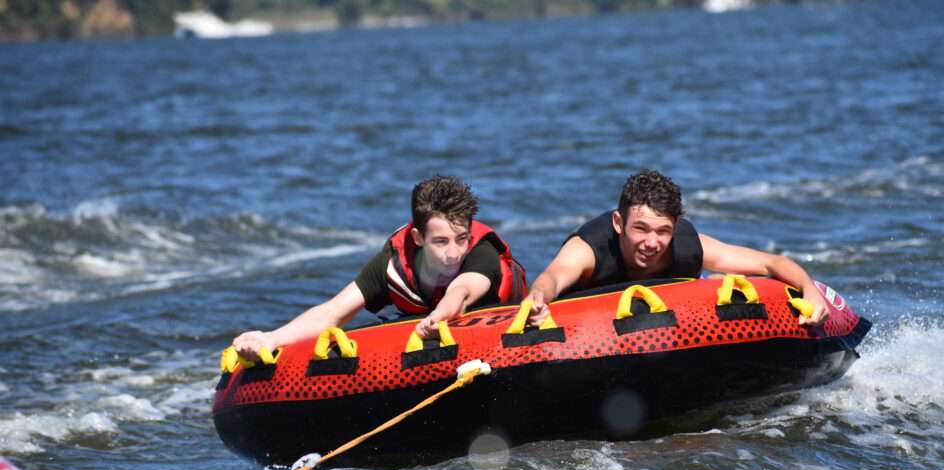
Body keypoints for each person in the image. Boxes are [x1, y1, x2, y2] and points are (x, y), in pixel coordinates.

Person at [233, 176, 526, 359]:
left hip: (498, 338)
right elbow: (333, 311)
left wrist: (438, 317)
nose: (453, 253)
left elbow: (462, 290)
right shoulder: (393, 264)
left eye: (461, 239)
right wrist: (271, 338)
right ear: (417, 238)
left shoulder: (482, 251)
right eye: (440, 241)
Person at [526, 169, 830, 326]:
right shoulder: (589, 249)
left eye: (663, 231)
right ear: (618, 223)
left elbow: (770, 264)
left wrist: (809, 288)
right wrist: (539, 298)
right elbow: (553, 276)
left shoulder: (687, 246)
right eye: (640, 228)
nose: (652, 243)